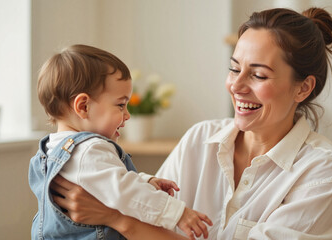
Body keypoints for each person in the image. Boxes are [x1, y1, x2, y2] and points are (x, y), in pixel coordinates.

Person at [51, 7, 332, 240]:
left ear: (303, 88)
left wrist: (117, 218)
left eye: (258, 75)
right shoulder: (200, 139)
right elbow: (149, 216)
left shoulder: (322, 170)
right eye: (234, 69)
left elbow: (135, 225)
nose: (237, 86)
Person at [28, 44, 212, 240]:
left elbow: (102, 183)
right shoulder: (89, 149)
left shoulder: (52, 149)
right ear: (83, 106)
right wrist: (177, 213)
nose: (127, 115)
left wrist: (145, 181)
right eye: (121, 105)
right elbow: (122, 190)